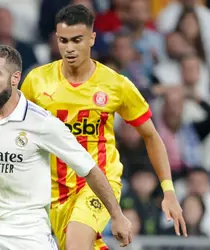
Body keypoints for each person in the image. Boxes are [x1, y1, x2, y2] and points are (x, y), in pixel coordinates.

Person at [20, 4, 188, 250]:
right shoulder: (36, 80)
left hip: (100, 183)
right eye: (63, 40)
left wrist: (169, 190)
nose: (69, 48)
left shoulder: (116, 84)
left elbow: (151, 136)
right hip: (55, 188)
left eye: (77, 40)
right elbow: (19, 132)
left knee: (77, 244)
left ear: (92, 38)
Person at [0, 45, 132, 250]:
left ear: (15, 78)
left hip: (28, 230)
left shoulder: (42, 122)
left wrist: (117, 216)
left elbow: (91, 170)